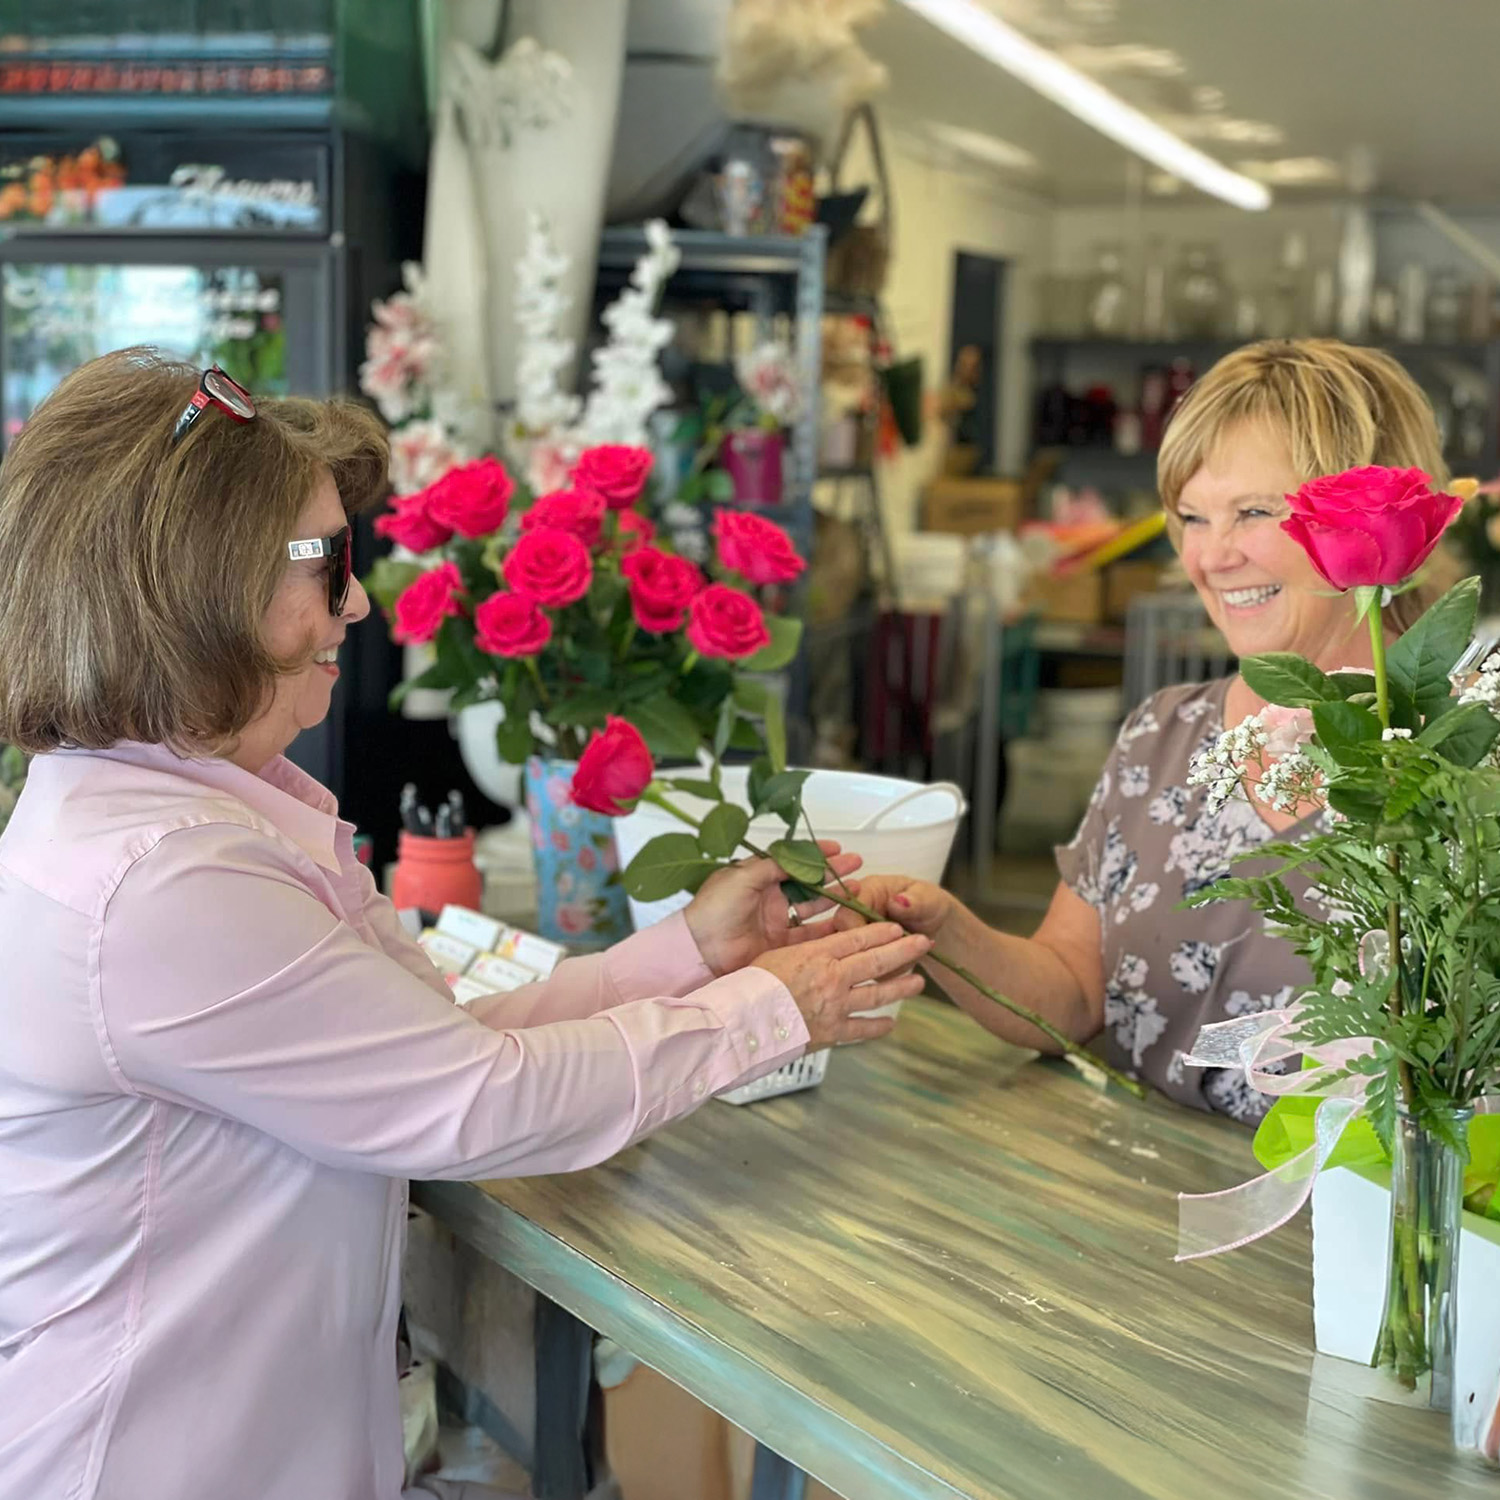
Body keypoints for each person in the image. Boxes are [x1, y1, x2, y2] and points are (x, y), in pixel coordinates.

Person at [0, 349, 932, 1500]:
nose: (358, 600)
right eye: (328, 561)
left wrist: (691, 955)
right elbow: (475, 1102)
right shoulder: (164, 884)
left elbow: (429, 1047)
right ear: (197, 585)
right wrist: (770, 1012)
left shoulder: (168, 818)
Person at [856, 338, 1461, 1123]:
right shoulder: (1161, 736)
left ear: (1371, 519)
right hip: (1132, 1207)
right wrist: (944, 928)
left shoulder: (1468, 763)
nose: (1209, 555)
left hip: (1372, 1234)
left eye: (1253, 511)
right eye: (1191, 517)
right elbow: (1072, 994)